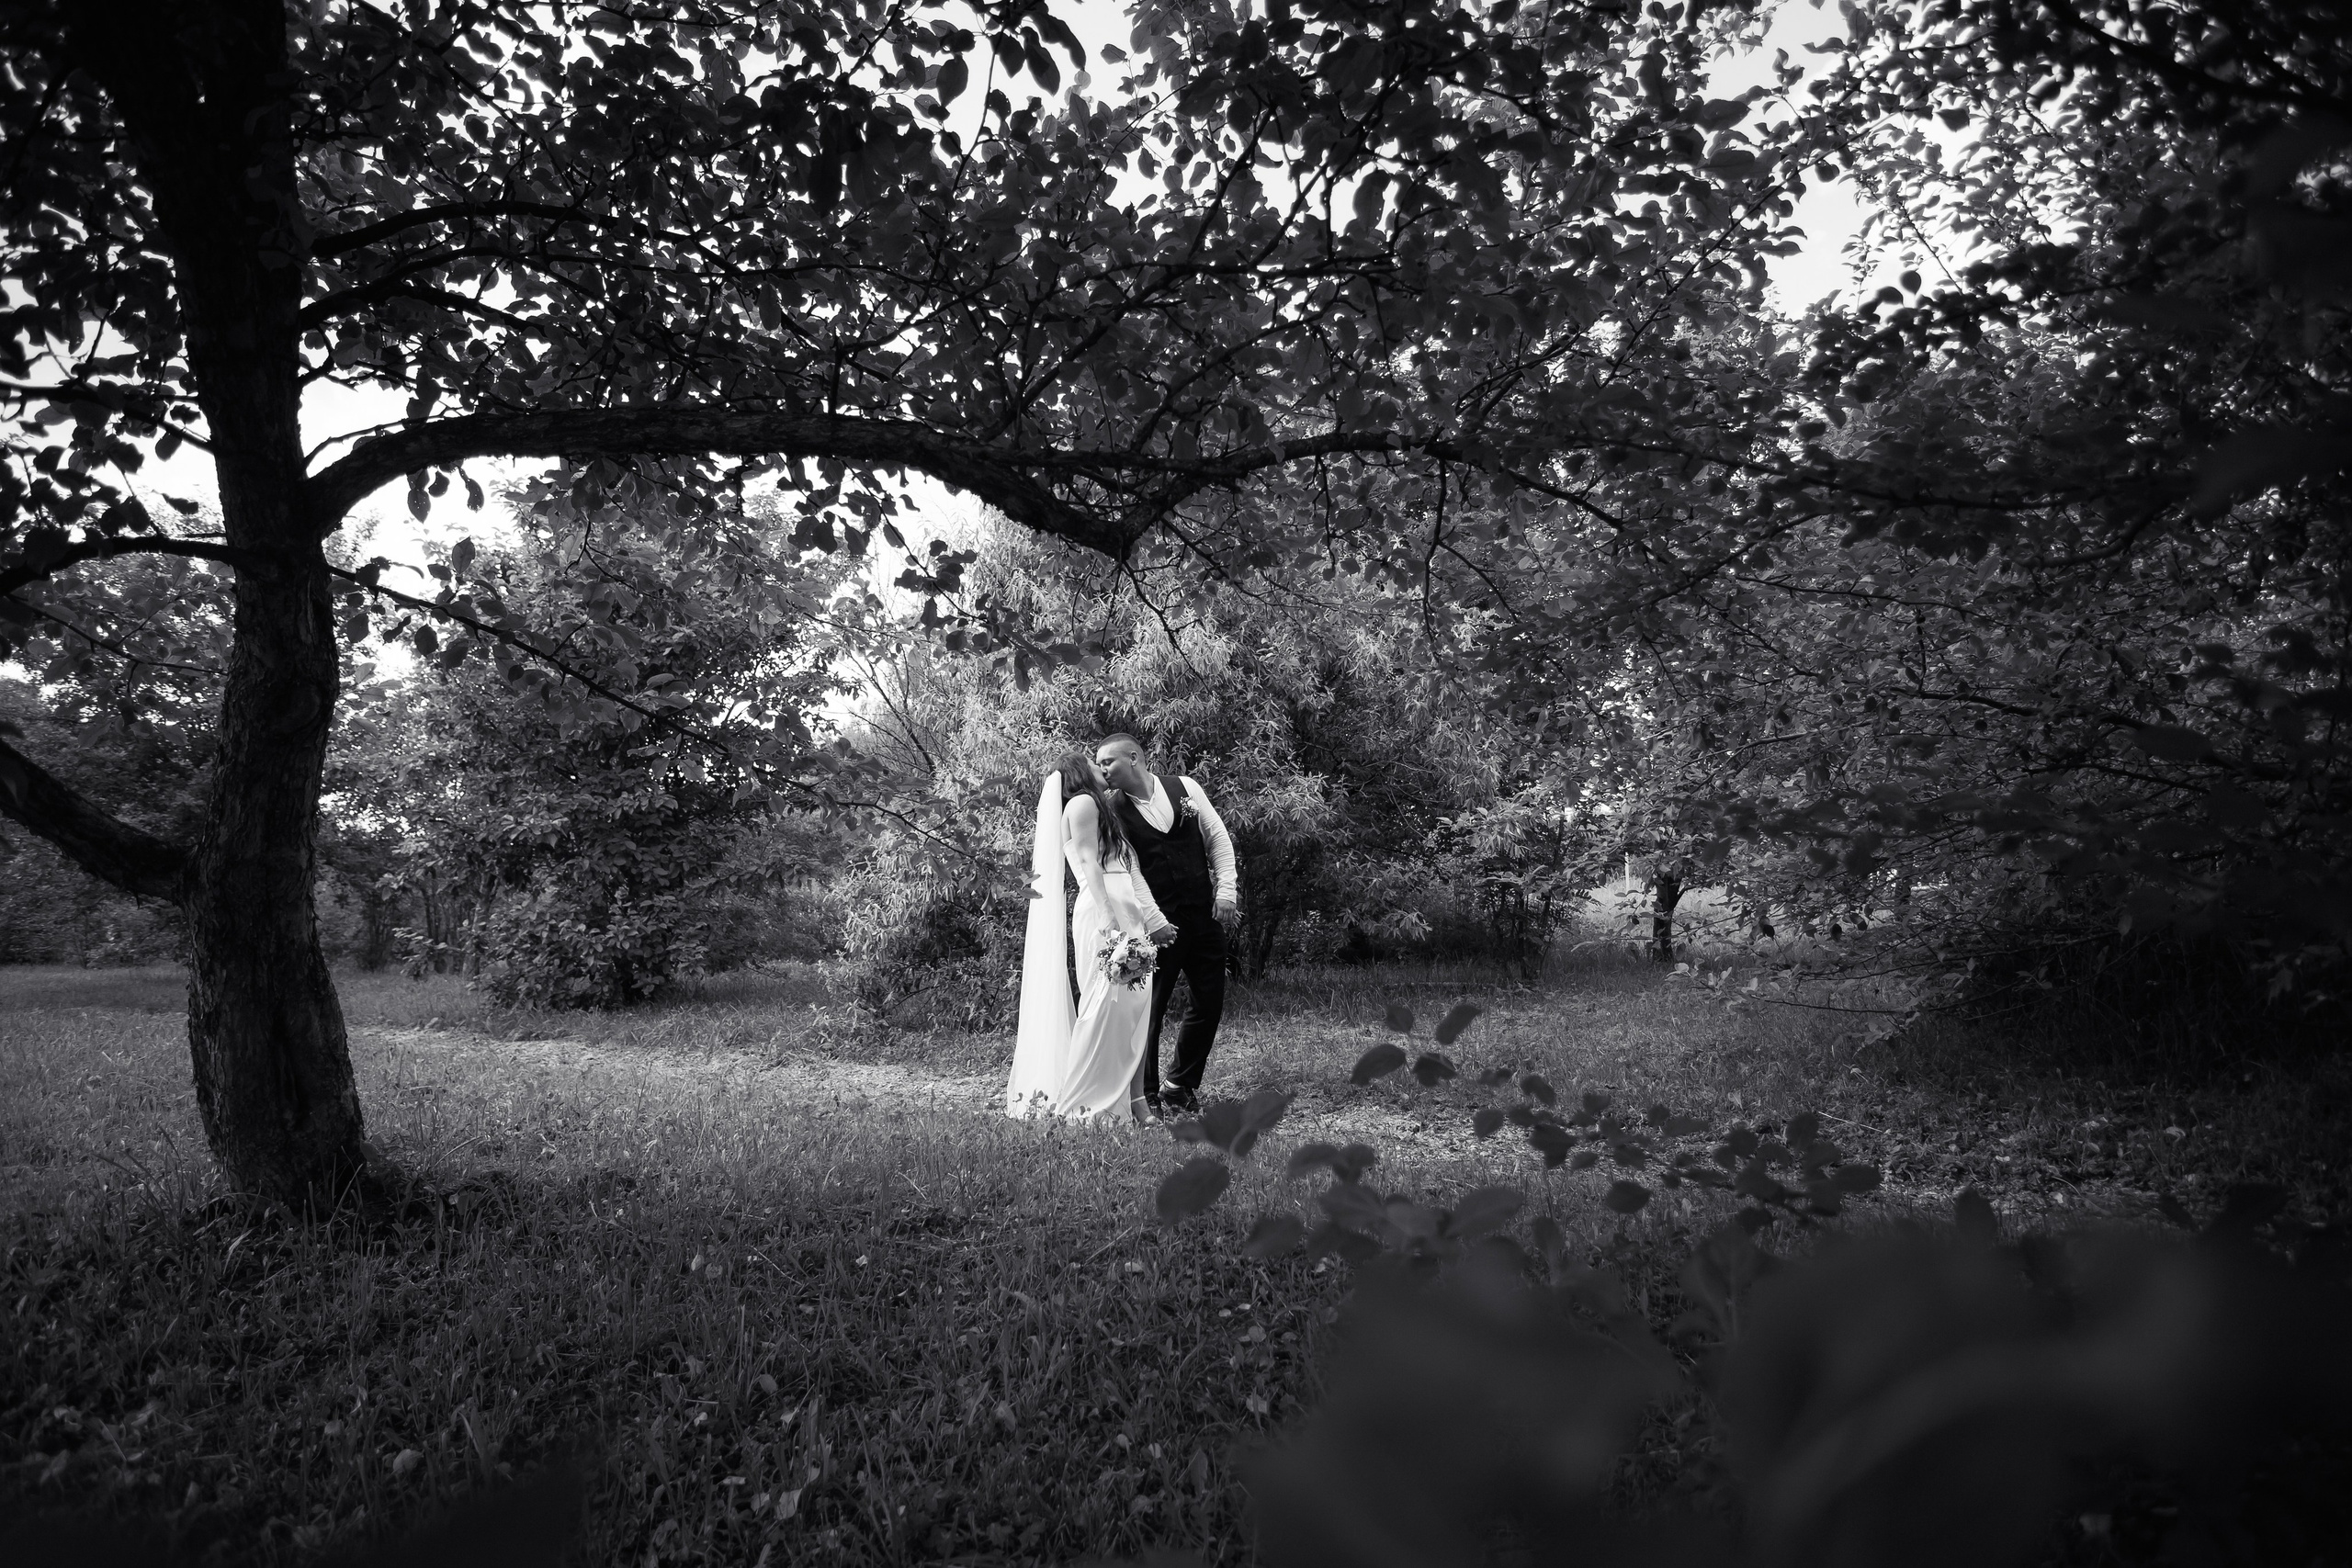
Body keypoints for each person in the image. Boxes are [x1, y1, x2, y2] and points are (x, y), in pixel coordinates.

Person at [1006, 753, 1179, 1122]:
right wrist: (1106, 913)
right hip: (1105, 908)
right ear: (1078, 773)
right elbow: (1088, 861)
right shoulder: (1083, 803)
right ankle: (1084, 1103)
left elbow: (1125, 867)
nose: (1102, 768)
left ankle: (1135, 1101)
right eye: (1093, 763)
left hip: (1125, 908)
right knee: (1103, 1007)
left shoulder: (1100, 806)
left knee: (1134, 1009)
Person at [1093, 733, 1239, 1115]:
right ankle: (1146, 1094)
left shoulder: (1185, 787)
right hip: (1158, 925)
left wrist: (1226, 890)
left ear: (1133, 757)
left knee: (1209, 1002)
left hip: (1204, 915)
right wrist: (1154, 919)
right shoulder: (1112, 810)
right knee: (1150, 1010)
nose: (1102, 769)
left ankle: (1180, 1086)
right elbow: (1130, 870)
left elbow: (1217, 838)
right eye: (1099, 764)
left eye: (1108, 761)